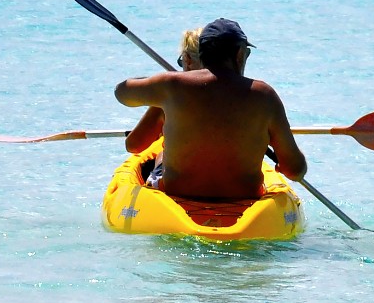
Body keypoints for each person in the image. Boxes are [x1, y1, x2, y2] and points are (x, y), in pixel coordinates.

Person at [116, 18, 307, 202]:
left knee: (162, 155)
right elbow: (296, 170)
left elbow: (122, 93)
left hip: (178, 192)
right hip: (243, 197)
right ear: (239, 55)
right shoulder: (264, 95)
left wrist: (157, 85)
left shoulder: (171, 85)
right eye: (247, 53)